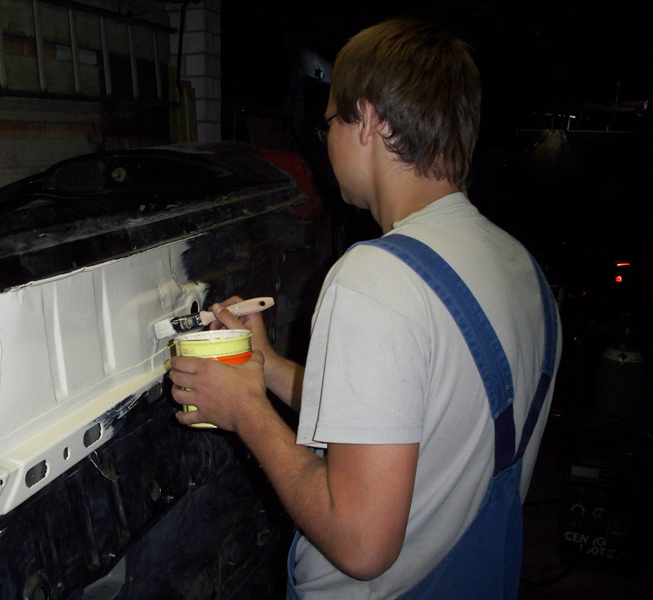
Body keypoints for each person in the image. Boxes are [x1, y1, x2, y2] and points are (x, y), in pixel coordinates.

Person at [169, 17, 561, 599]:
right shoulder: (516, 265)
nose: (326, 141)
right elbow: (407, 415)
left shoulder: (376, 279)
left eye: (330, 121)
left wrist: (245, 410)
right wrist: (267, 369)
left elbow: (361, 543)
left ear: (371, 120)